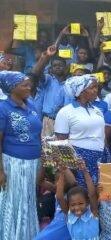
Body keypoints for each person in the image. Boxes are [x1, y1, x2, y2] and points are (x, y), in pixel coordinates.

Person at [0, 71, 42, 239]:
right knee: (14, 203)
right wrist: (0, 171)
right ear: (12, 88)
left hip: (33, 163)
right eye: (24, 85)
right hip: (14, 163)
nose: (28, 87)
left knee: (28, 203)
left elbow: (37, 133)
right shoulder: (3, 108)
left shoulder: (31, 104)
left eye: (28, 84)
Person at [54, 75, 105, 187]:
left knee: (98, 193)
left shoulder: (97, 111)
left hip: (99, 156)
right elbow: (61, 142)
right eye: (92, 87)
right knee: (80, 192)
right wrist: (69, 166)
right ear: (81, 91)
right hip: (78, 159)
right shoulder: (66, 112)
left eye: (96, 87)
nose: (96, 90)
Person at [56, 161, 99, 239]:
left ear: (87, 202)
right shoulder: (69, 214)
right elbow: (59, 197)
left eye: (80, 203)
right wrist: (62, 173)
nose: (77, 207)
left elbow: (92, 195)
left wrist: (85, 171)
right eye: (73, 205)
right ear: (68, 205)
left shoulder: (92, 213)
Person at [32, 45, 68, 136]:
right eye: (55, 65)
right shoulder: (48, 80)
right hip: (48, 120)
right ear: (51, 69)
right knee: (46, 149)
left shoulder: (70, 83)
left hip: (64, 122)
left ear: (66, 68)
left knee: (61, 148)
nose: (58, 67)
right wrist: (46, 57)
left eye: (60, 65)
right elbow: (36, 72)